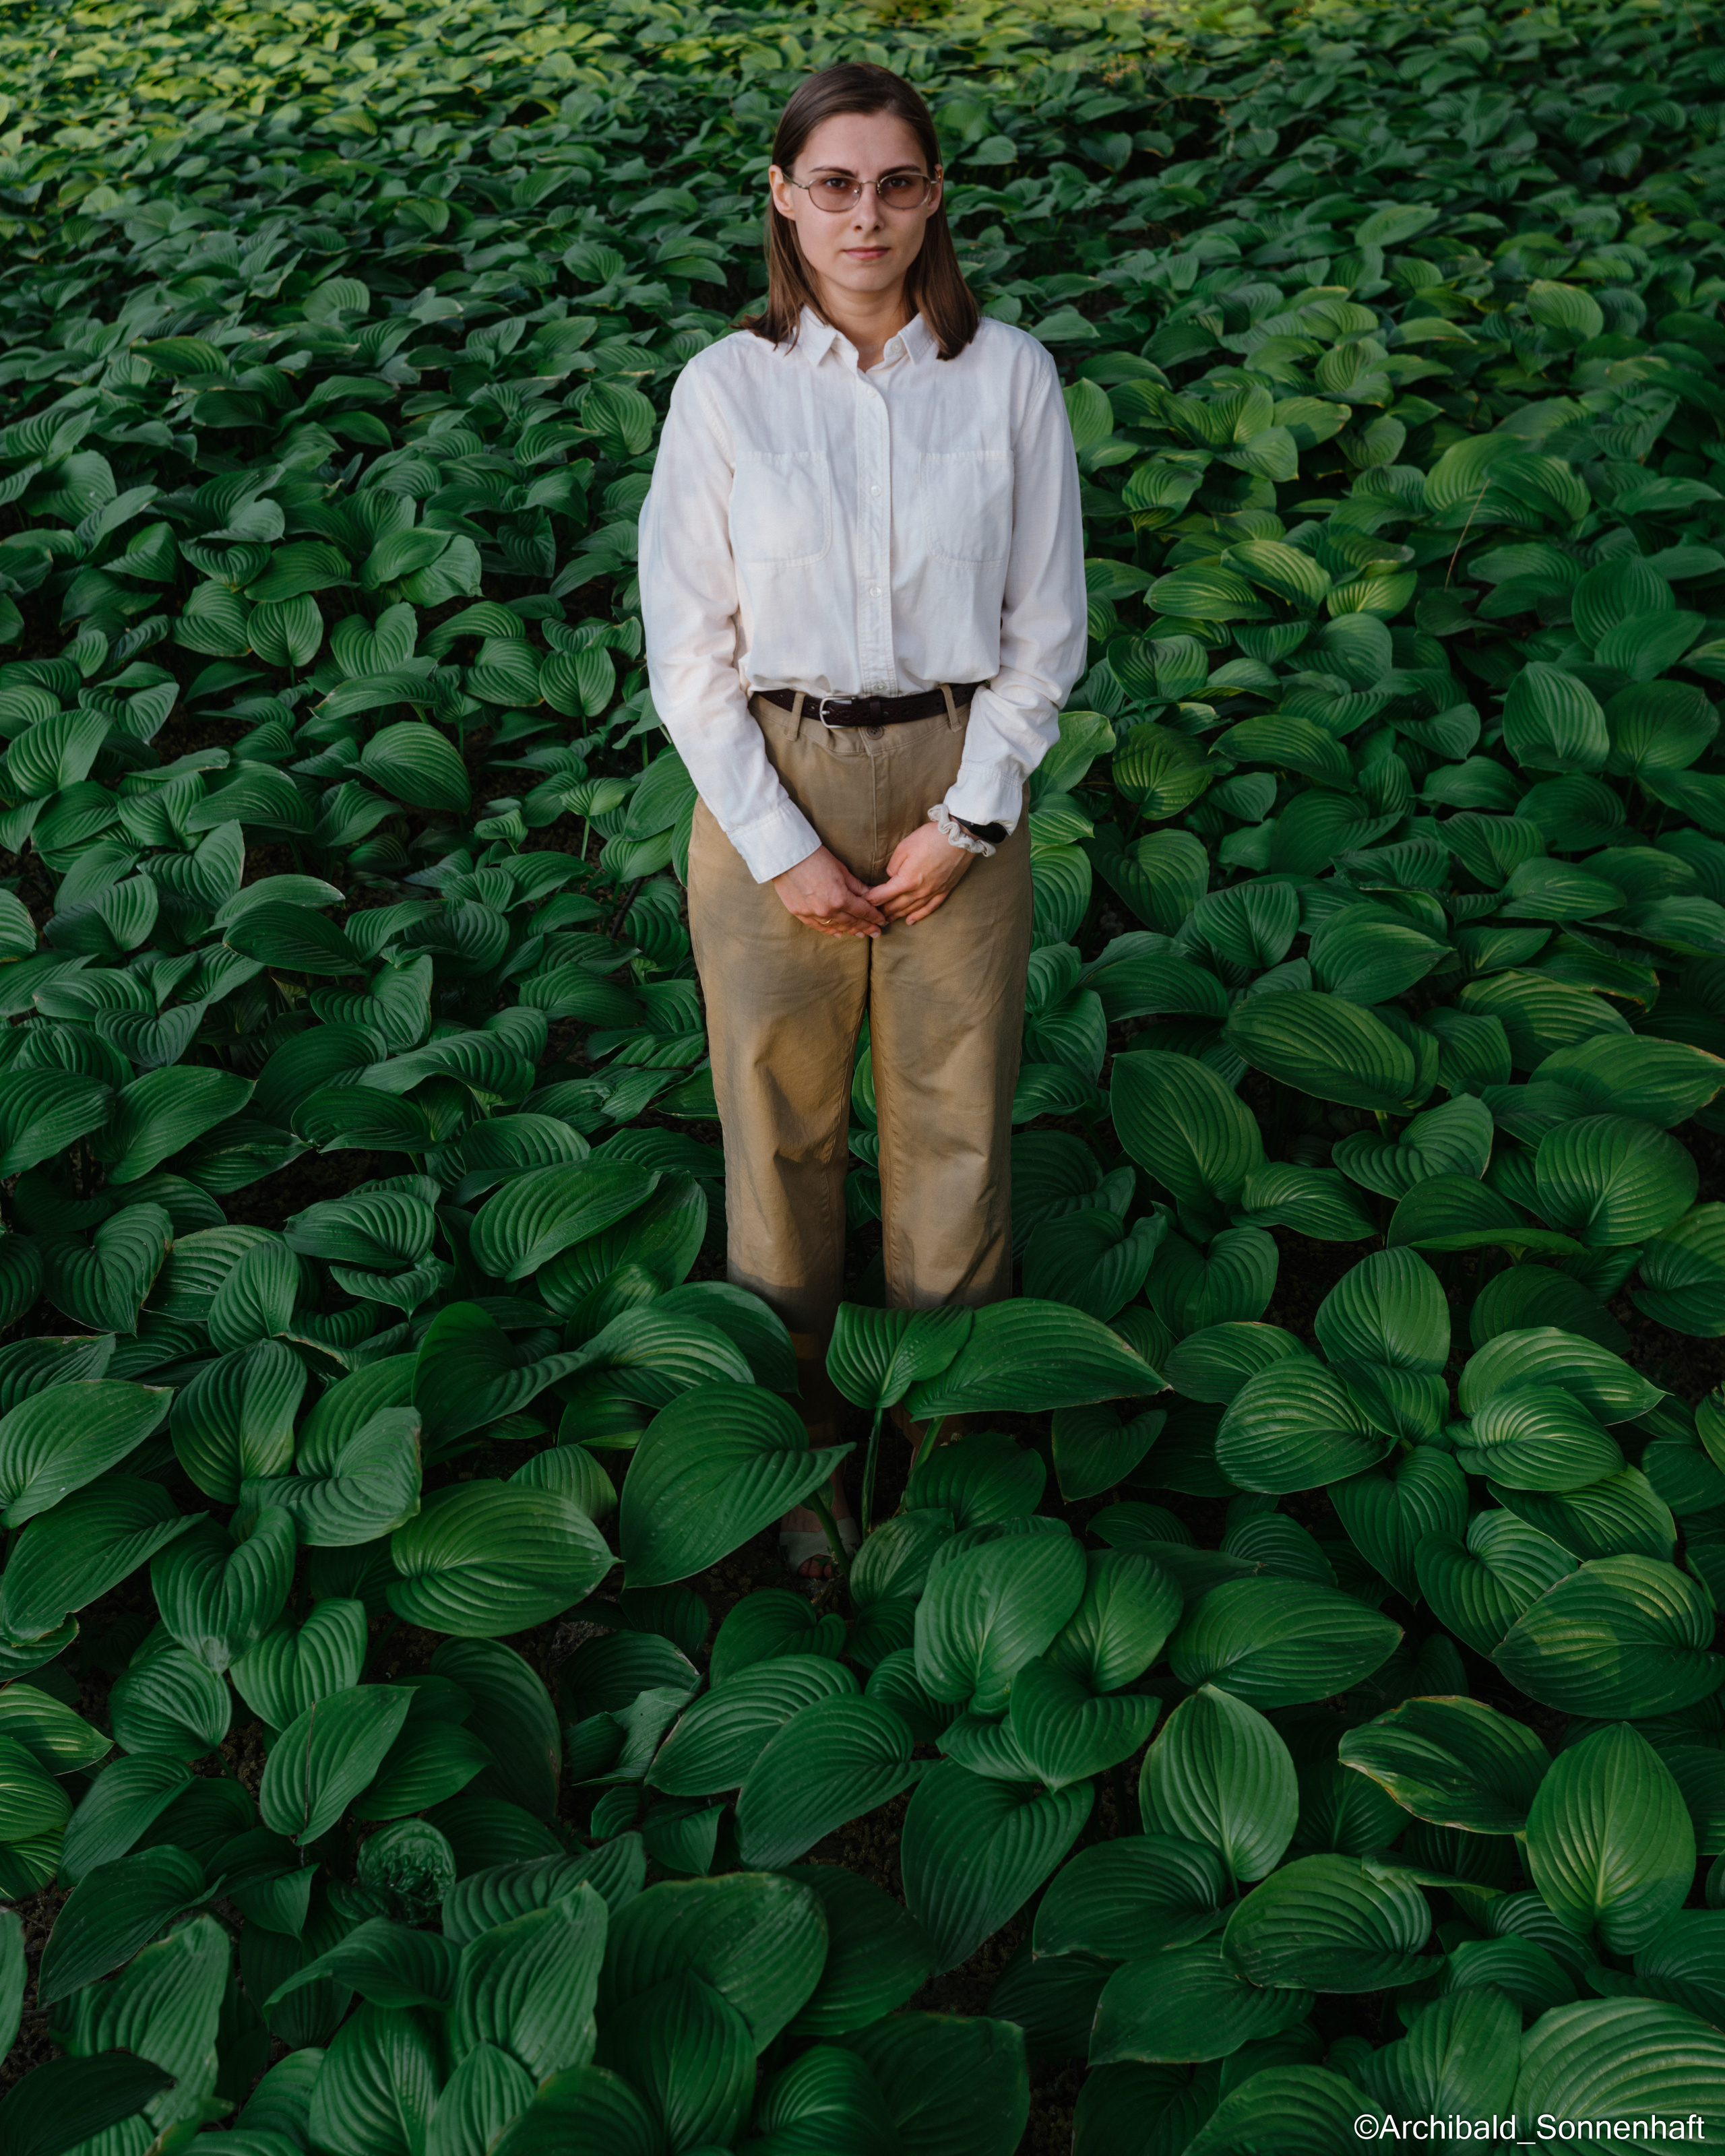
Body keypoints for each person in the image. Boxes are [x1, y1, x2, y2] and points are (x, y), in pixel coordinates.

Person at [638, 60, 1086, 1581]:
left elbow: (1047, 629)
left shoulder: (1007, 374)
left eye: (896, 181)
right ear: (781, 196)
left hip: (959, 774)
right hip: (773, 771)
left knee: (956, 1125)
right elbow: (686, 649)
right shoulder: (725, 388)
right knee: (778, 1132)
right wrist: (780, 847)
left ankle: (946, 1459)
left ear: (934, 196)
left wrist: (967, 818)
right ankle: (797, 1464)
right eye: (831, 182)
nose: (864, 214)